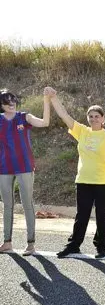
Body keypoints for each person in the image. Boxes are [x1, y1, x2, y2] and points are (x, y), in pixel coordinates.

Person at [50, 88, 105, 258]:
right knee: (82, 215)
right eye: (91, 116)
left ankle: (101, 248)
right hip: (84, 181)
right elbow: (64, 116)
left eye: (97, 116)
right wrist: (53, 98)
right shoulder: (82, 131)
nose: (94, 119)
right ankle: (73, 245)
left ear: (103, 119)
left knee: (102, 216)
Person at [0, 88, 50, 255]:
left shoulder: (24, 117)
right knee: (7, 205)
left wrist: (46, 100)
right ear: (2, 105)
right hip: (4, 168)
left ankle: (31, 244)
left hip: (25, 167)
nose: (11, 104)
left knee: (27, 204)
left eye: (13, 100)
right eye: (7, 101)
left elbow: (45, 122)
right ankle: (7, 242)